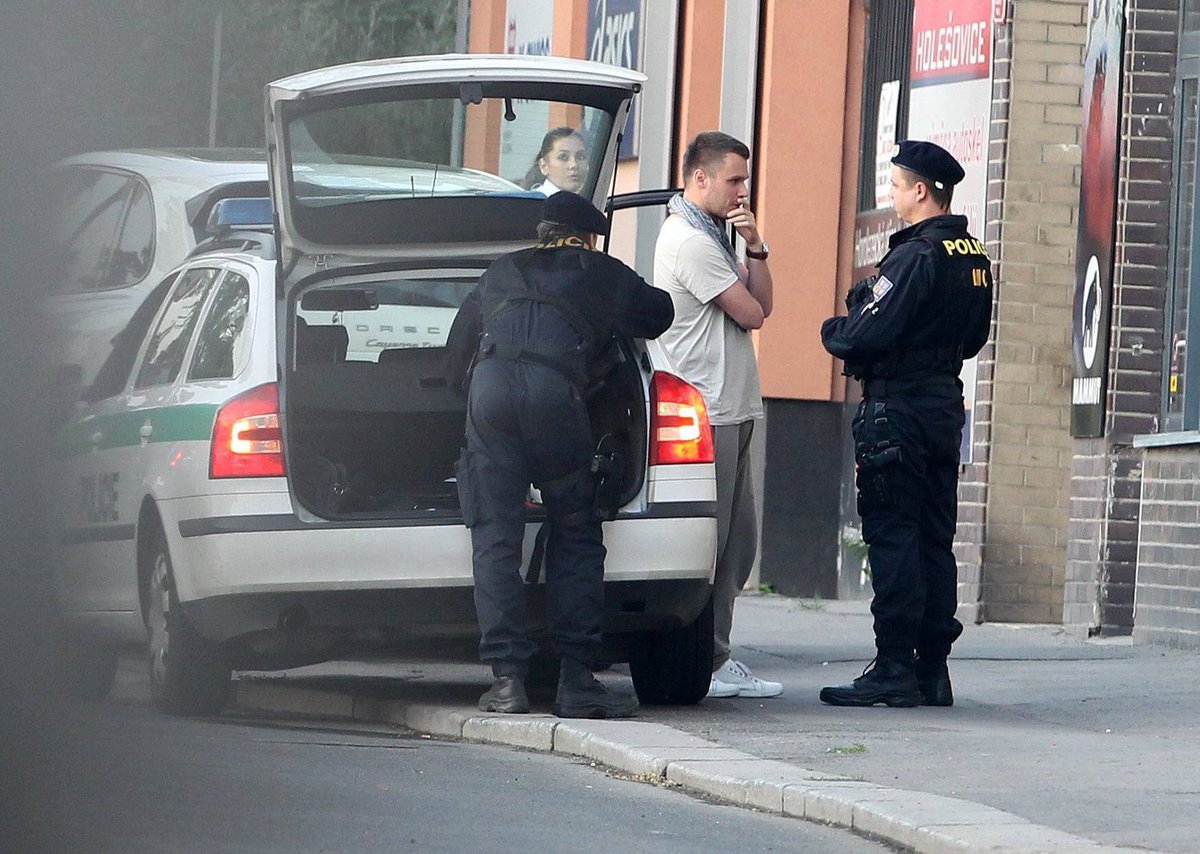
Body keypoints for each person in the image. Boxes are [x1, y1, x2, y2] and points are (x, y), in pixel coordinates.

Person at [447, 191, 674, 718]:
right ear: (588, 237)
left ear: (541, 231)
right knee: (575, 528)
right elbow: (658, 314)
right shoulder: (601, 271)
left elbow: (456, 354)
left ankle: (507, 681)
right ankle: (575, 679)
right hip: (556, 398)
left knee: (495, 537)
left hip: (491, 393)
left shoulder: (500, 271)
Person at [819, 140, 994, 708]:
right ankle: (932, 670)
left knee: (893, 536)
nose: (891, 195)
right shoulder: (974, 256)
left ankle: (895, 666)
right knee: (933, 538)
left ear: (922, 191)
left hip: (898, 410)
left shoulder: (916, 256)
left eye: (895, 185)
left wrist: (834, 328)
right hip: (944, 405)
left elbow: (863, 332)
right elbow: (973, 340)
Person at [652, 131, 781, 700]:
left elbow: (766, 303)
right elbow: (752, 314)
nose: (742, 190)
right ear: (698, 177)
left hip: (736, 404)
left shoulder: (716, 233)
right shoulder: (689, 240)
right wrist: (747, 257)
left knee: (739, 541)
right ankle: (708, 656)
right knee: (718, 541)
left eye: (745, 180)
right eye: (733, 179)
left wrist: (756, 246)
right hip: (711, 410)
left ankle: (715, 653)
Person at [522, 127, 589, 196]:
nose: (574, 165)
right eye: (563, 157)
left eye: (581, 157)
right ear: (544, 166)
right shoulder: (532, 202)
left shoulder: (591, 200)